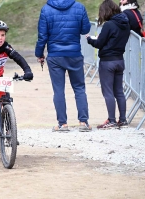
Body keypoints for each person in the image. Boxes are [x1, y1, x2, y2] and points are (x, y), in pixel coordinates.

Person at [35, 0, 92, 132]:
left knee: (58, 90)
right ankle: (83, 122)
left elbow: (42, 36)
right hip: (74, 53)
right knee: (79, 88)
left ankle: (62, 124)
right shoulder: (79, 7)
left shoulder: (46, 9)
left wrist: (39, 54)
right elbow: (85, 29)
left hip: (55, 55)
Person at [86, 0, 130, 129]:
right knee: (119, 91)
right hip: (120, 60)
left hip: (107, 61)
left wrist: (90, 39)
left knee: (108, 92)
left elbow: (99, 44)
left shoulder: (109, 25)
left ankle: (111, 120)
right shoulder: (125, 23)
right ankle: (123, 120)